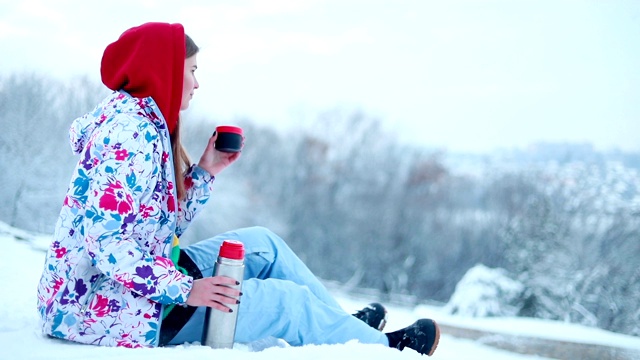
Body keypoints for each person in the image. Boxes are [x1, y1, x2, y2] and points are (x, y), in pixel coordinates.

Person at [36, 22, 440, 356]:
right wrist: (187, 289)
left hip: (139, 284)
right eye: (192, 70)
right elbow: (107, 243)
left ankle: (345, 329)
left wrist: (205, 172)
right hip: (100, 308)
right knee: (284, 303)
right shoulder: (131, 136)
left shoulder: (148, 124)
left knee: (263, 244)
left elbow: (158, 225)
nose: (197, 83)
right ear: (165, 71)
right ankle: (384, 350)